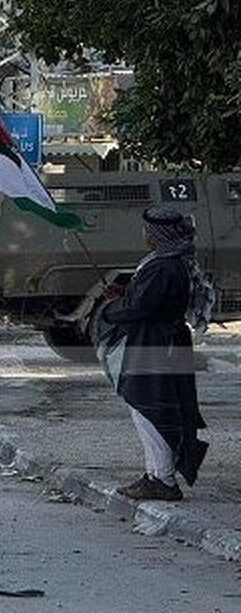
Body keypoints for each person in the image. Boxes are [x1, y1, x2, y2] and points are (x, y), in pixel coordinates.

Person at [100, 205, 213, 501]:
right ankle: (154, 474)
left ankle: (163, 480)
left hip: (157, 345)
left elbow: (143, 307)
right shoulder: (168, 261)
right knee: (145, 409)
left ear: (155, 234)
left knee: (152, 409)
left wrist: (112, 310)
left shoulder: (165, 265)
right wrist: (124, 294)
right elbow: (149, 299)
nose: (144, 235)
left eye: (146, 230)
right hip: (161, 343)